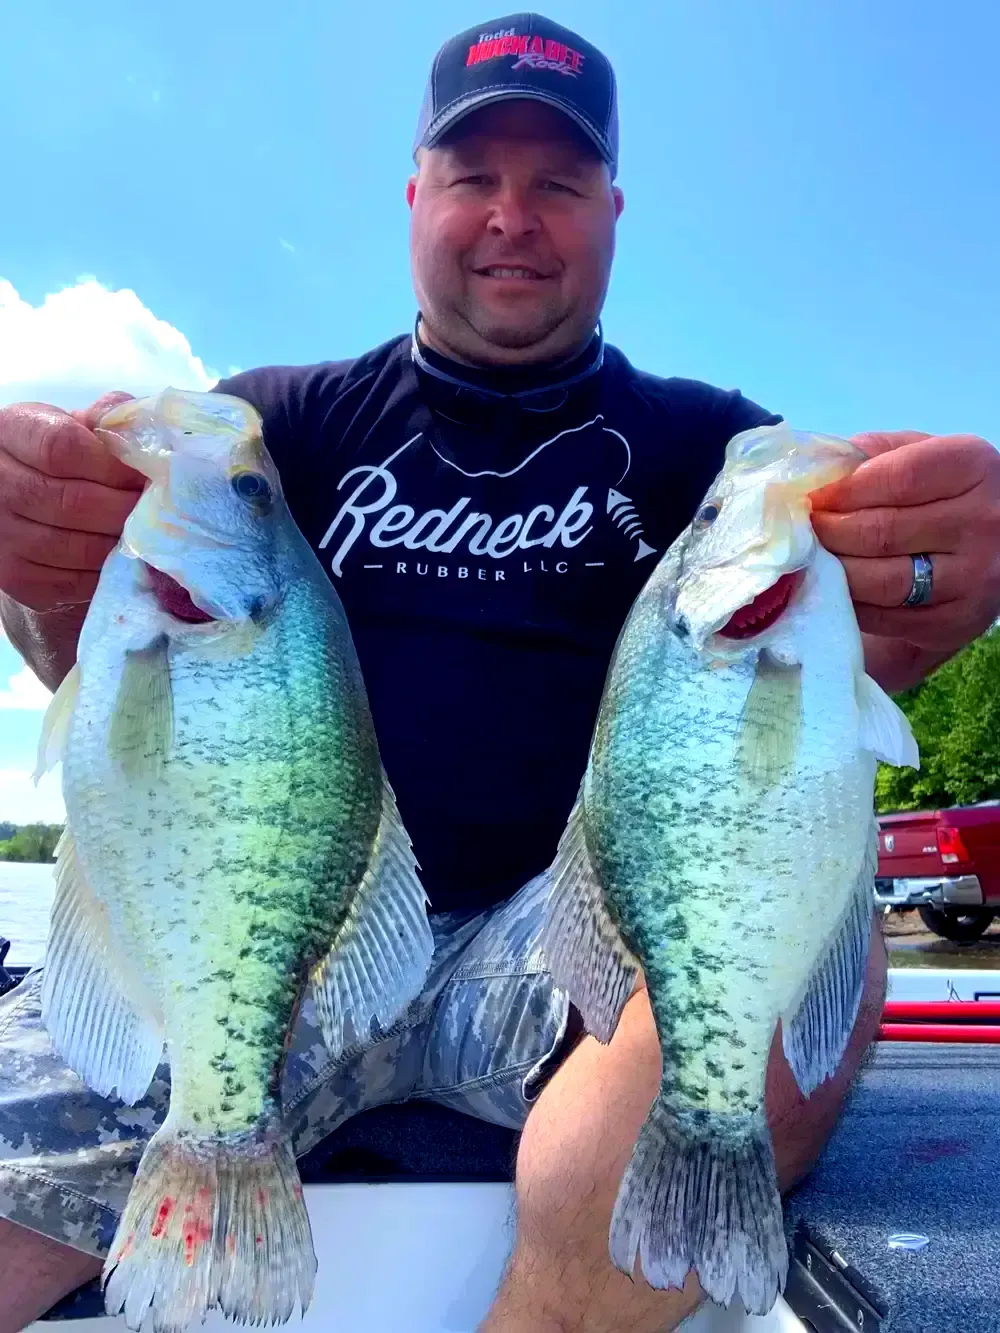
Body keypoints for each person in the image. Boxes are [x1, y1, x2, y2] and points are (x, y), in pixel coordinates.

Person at [0, 13, 997, 1333]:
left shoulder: (716, 449)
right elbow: (102, 687)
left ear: (615, 211)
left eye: (560, 183)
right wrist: (40, 571)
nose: (513, 217)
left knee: (800, 933)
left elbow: (798, 753)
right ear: (416, 194)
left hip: (564, 960)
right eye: (475, 177)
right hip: (292, 947)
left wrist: (937, 593)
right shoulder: (272, 432)